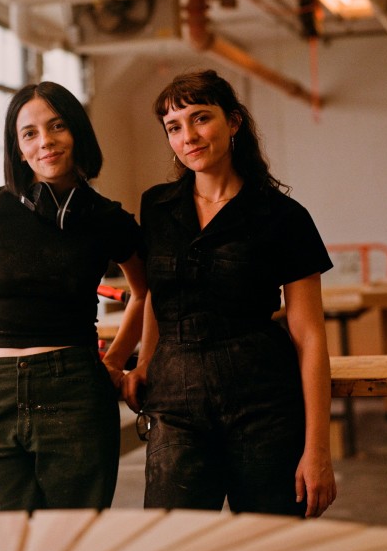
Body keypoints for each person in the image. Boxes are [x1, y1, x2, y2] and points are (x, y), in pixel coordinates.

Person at [0, 81, 146, 513]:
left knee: (70, 546)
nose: (45, 142)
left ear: (77, 132)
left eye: (57, 126)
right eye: (30, 133)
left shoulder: (107, 219)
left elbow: (144, 292)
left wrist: (116, 359)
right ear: (18, 148)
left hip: (76, 392)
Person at [121, 68, 336, 519]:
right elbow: (160, 296)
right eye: (174, 128)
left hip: (262, 402)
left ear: (233, 122)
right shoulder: (157, 207)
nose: (189, 137)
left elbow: (310, 335)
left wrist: (318, 449)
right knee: (170, 548)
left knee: (268, 548)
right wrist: (144, 361)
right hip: (175, 401)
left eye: (201, 119)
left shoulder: (282, 216)